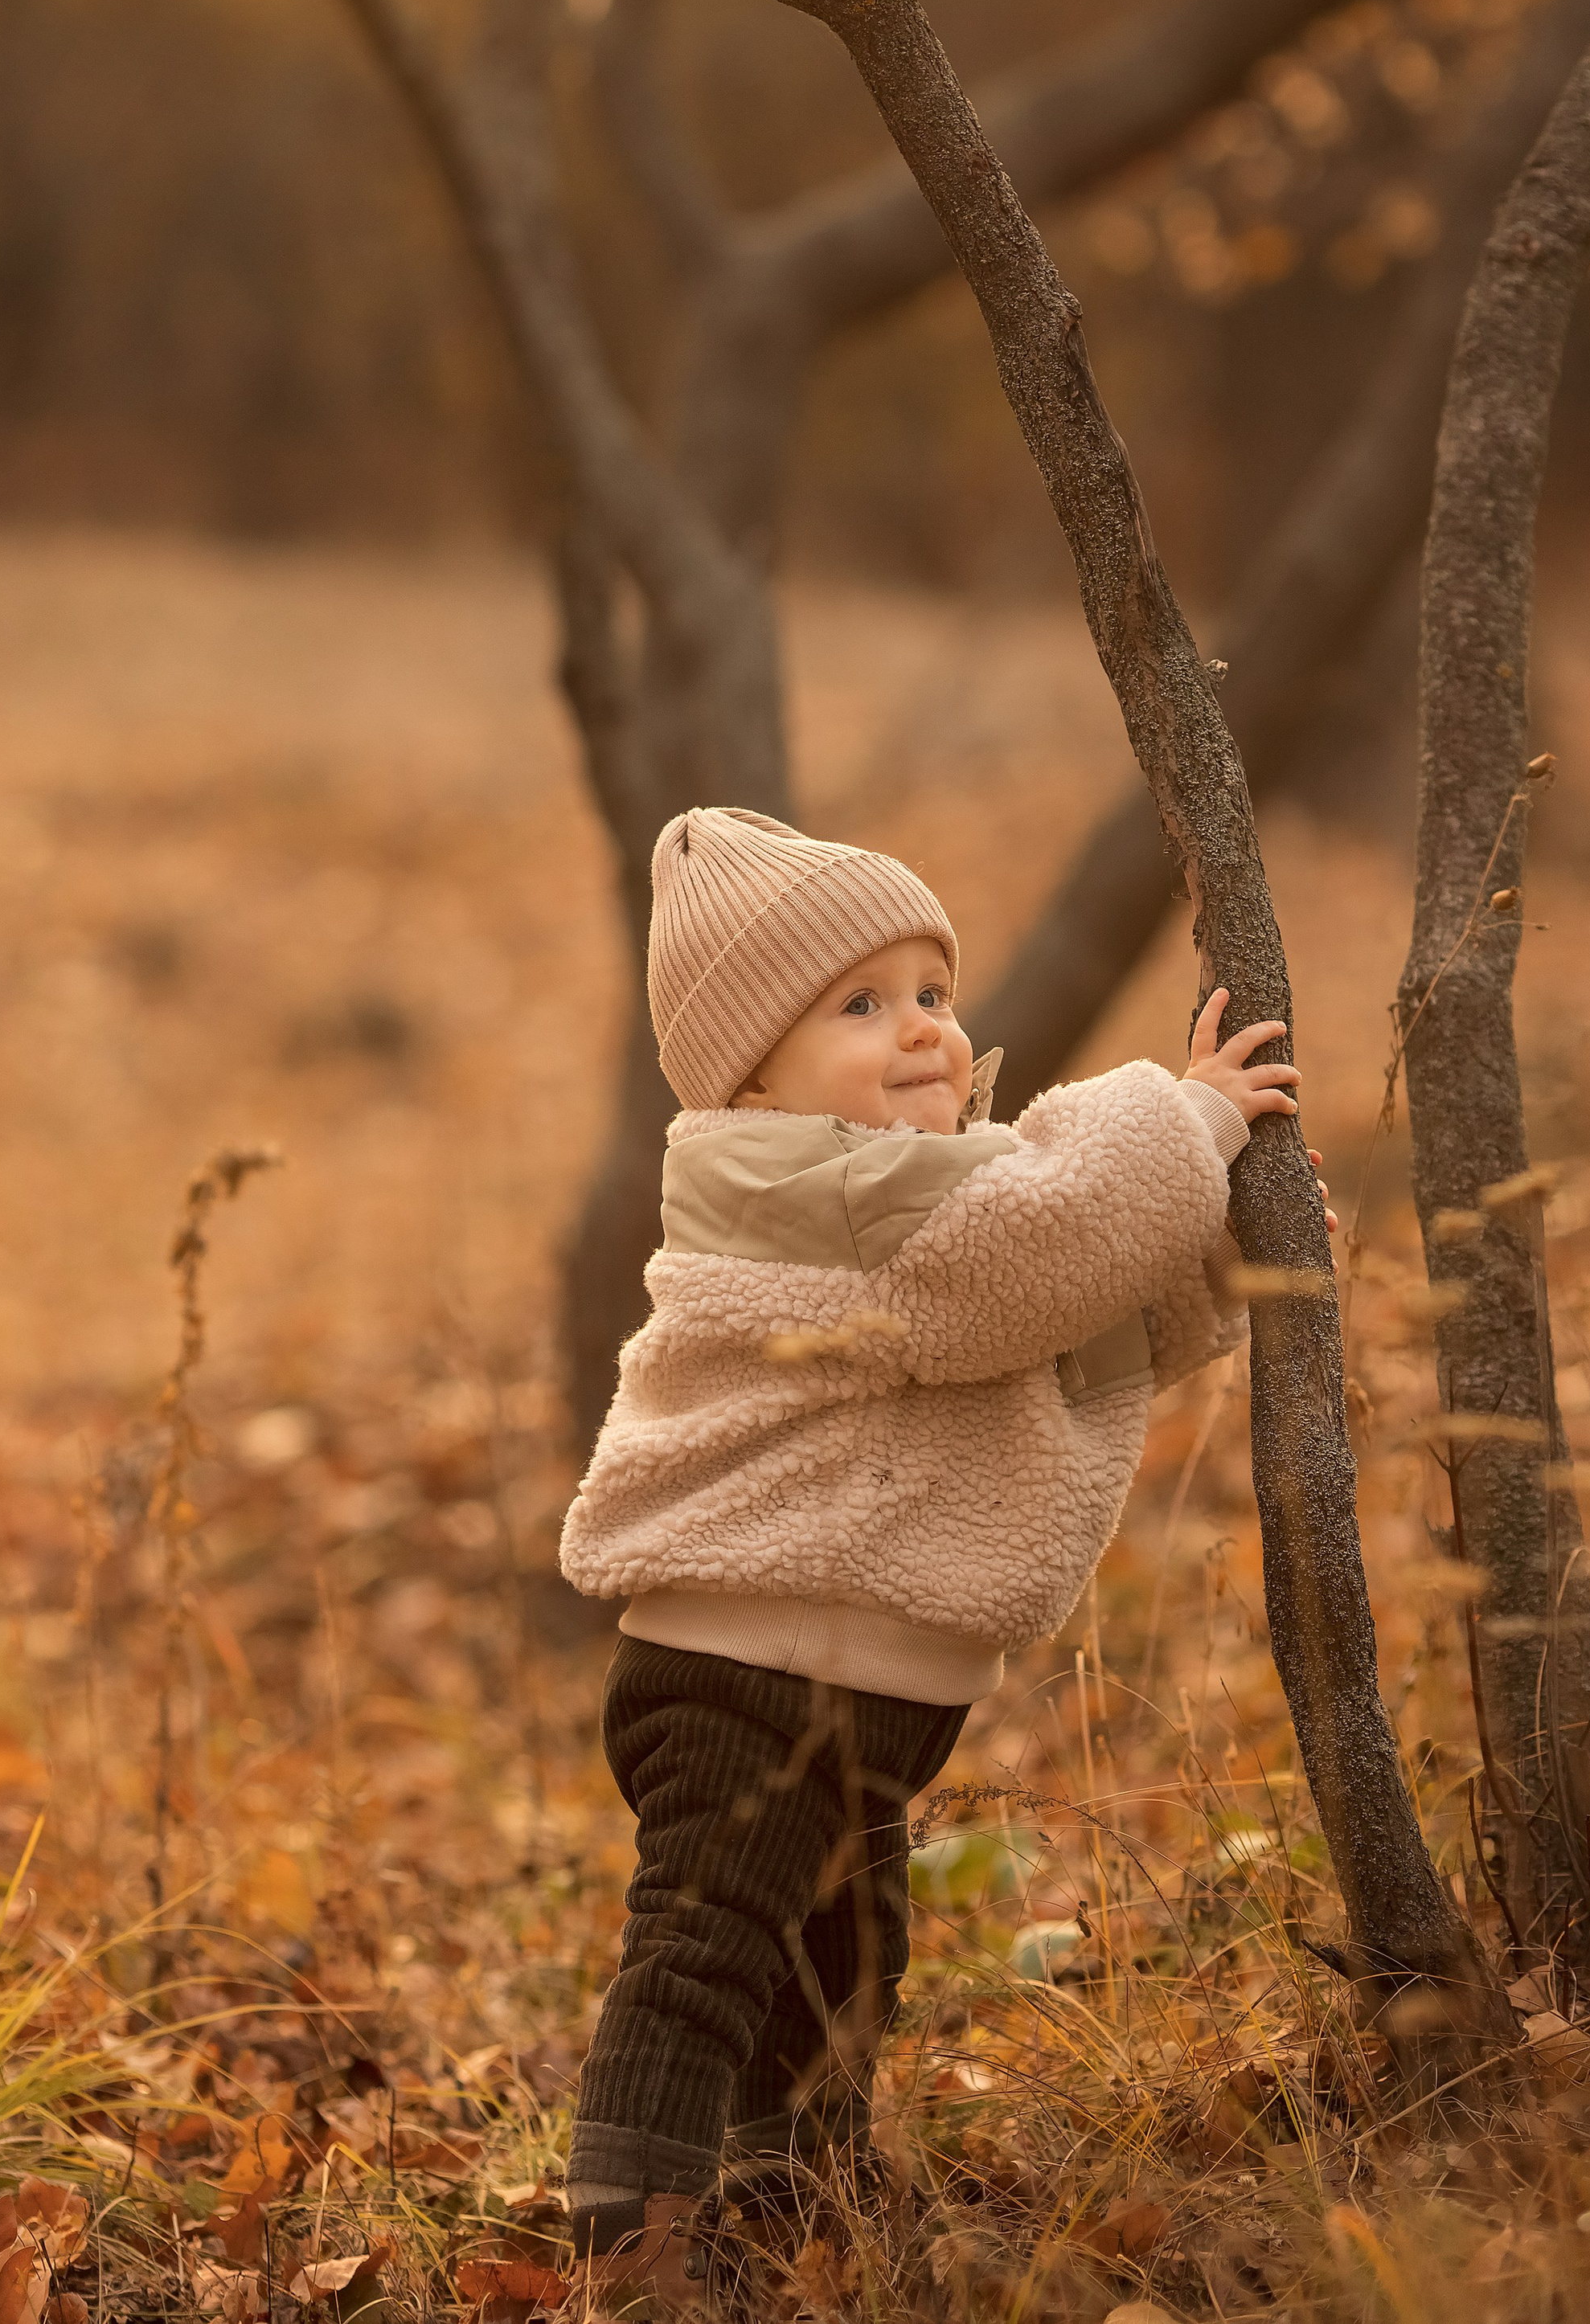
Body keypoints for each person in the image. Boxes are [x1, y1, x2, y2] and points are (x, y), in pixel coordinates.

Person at [559, 807, 1327, 2312]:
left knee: (837, 1960)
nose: (920, 1029)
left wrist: (1227, 1229)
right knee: (707, 1953)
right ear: (752, 1075)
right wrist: (1188, 1125)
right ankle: (632, 2256)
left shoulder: (905, 1183)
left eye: (931, 991)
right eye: (860, 1005)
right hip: (746, 1666)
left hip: (829, 1663)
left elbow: (1057, 1298)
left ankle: (798, 2208)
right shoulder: (827, 1187)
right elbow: (1034, 1248)